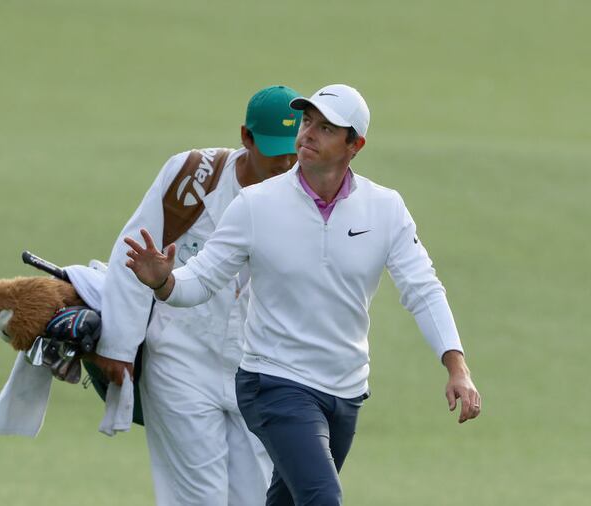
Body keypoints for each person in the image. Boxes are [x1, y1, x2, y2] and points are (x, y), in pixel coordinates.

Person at [123, 84, 482, 506]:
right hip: (273, 381)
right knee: (321, 498)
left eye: (326, 128)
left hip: (345, 389)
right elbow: (202, 280)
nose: (308, 133)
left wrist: (456, 367)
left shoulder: (385, 209)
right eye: (307, 121)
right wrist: (164, 282)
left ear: (355, 145)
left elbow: (423, 289)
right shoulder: (256, 204)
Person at [93, 85, 303, 505]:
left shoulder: (312, 196)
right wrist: (118, 346)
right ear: (246, 137)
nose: (284, 163)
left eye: (292, 152)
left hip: (260, 370)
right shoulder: (192, 176)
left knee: (257, 498)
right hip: (181, 358)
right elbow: (133, 254)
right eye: (273, 151)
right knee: (197, 499)